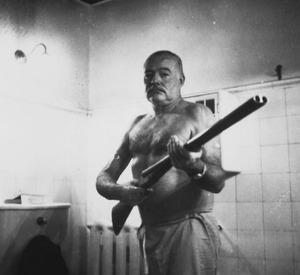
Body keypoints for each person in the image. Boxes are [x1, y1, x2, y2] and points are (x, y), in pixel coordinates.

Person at [96, 50, 228, 275]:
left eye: (164, 74)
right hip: (151, 230)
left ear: (181, 80)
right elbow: (103, 178)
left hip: (187, 229)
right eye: (149, 75)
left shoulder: (198, 113)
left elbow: (217, 181)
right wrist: (121, 192)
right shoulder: (136, 124)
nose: (155, 80)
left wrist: (191, 165)